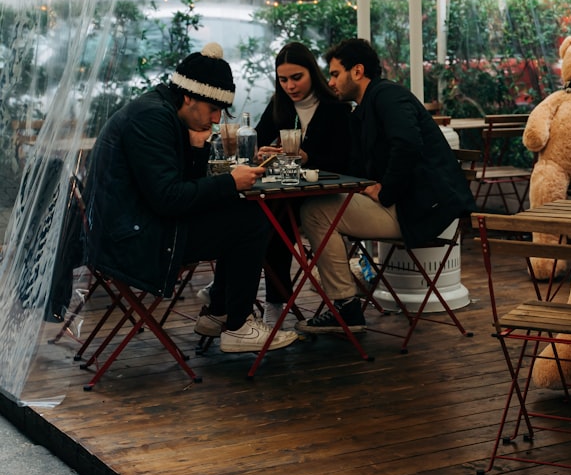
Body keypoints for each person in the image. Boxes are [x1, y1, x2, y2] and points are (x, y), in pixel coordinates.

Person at [84, 42, 299, 353]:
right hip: (132, 240)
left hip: (132, 226)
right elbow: (169, 198)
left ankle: (219, 313)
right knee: (251, 220)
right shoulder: (152, 119)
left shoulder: (161, 112)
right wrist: (230, 182)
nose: (215, 119)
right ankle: (238, 326)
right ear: (188, 97)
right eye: (212, 109)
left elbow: (181, 185)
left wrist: (200, 152)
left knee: (237, 211)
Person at [296, 38, 476, 333]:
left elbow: (407, 145)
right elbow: (355, 166)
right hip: (407, 204)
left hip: (420, 210)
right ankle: (345, 303)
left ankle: (346, 307)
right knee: (315, 206)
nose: (330, 82)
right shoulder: (365, 107)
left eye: (335, 73)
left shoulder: (388, 96)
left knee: (315, 211)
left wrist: (385, 190)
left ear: (357, 71)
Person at [252, 42, 352, 326]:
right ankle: (236, 289)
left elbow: (344, 161)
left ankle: (271, 302)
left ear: (312, 73)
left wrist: (309, 156)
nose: (290, 86)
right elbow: (259, 139)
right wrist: (262, 152)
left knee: (271, 223)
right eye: (283, 79)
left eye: (297, 77)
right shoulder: (280, 105)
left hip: (325, 195)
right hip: (289, 191)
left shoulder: (335, 108)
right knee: (256, 217)